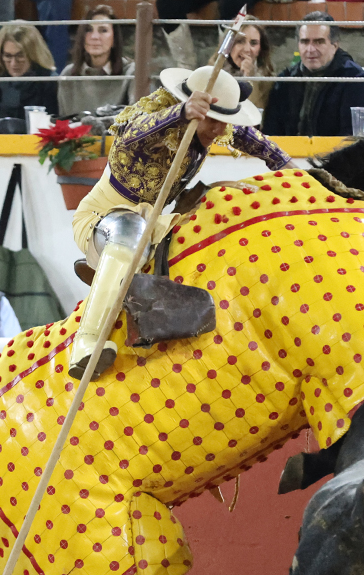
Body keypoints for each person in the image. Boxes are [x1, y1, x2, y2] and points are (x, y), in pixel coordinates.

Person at [70, 66, 291, 377]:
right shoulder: (154, 120)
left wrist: (303, 178)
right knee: (130, 231)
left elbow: (270, 152)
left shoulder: (218, 123)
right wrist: (181, 114)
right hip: (103, 218)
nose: (218, 129)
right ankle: (87, 343)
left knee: (223, 205)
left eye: (224, 121)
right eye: (213, 119)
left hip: (155, 221)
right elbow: (133, 131)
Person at [262, 12, 364, 137]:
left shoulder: (354, 80)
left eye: (318, 42)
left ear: (335, 46)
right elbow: (271, 132)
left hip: (334, 155)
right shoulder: (285, 80)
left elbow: (352, 137)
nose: (310, 49)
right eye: (305, 42)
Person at [57, 5, 135, 118]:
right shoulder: (68, 75)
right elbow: (64, 122)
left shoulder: (131, 72)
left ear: (114, 39)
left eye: (103, 30)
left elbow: (135, 118)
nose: (94, 37)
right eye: (89, 30)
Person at [0, 23, 58, 126]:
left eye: (20, 56)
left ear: (33, 54)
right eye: (8, 56)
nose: (13, 63)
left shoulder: (49, 82)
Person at [209, 16, 275, 114]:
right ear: (229, 45)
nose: (247, 49)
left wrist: (250, 78)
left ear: (261, 48)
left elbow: (255, 117)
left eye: (253, 43)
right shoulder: (211, 70)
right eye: (240, 41)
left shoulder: (267, 79)